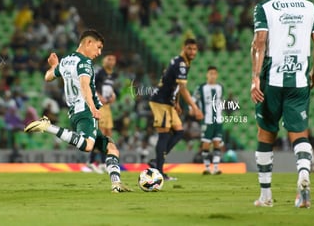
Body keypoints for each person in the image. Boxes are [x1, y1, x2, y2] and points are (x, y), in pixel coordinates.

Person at [250, 0, 314, 208]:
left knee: (266, 133)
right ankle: (303, 175)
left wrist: (254, 79)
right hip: (299, 80)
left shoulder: (264, 8)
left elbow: (259, 43)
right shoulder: (309, 7)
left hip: (272, 78)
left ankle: (266, 196)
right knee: (299, 134)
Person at [24, 29, 131, 193]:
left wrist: (54, 66)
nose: (99, 52)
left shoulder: (66, 61)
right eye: (98, 47)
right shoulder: (85, 62)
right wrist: (93, 107)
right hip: (85, 110)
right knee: (88, 146)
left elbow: (48, 77)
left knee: (111, 148)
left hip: (75, 112)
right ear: (88, 43)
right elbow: (84, 84)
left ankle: (116, 184)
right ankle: (48, 126)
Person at [148, 38, 204, 180]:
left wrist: (177, 102)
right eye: (190, 48)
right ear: (184, 48)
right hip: (160, 101)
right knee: (164, 134)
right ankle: (159, 171)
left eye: (194, 49)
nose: (192, 52)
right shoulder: (181, 64)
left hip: (168, 102)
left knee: (179, 131)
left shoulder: (182, 62)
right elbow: (184, 89)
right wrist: (195, 107)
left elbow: (177, 85)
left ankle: (157, 161)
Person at [87, 54, 118, 173]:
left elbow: (109, 89)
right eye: (109, 59)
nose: (111, 61)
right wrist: (98, 96)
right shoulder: (99, 71)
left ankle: (102, 163)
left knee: (108, 133)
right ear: (103, 60)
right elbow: (90, 85)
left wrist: (113, 95)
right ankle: (92, 162)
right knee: (101, 133)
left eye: (113, 59)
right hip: (99, 106)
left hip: (107, 106)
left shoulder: (112, 75)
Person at [192, 66, 224, 175]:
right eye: (210, 73)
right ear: (207, 74)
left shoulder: (220, 87)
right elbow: (193, 99)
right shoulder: (201, 88)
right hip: (207, 120)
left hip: (218, 120)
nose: (212, 76)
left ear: (217, 75)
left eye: (214, 73)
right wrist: (193, 109)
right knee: (206, 144)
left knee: (217, 143)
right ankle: (206, 167)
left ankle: (215, 168)